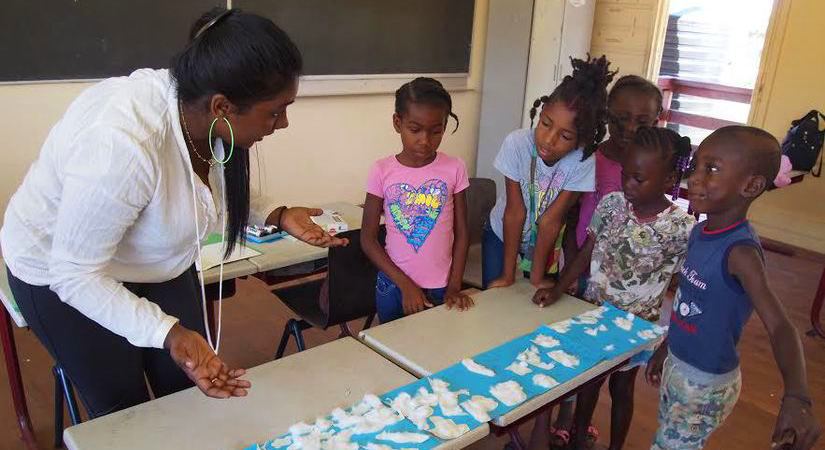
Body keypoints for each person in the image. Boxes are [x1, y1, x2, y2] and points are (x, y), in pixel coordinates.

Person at [0, 8, 345, 418]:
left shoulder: (200, 109)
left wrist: (276, 213)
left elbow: (201, 180)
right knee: (124, 407)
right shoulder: (121, 148)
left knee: (185, 385)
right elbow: (74, 274)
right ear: (223, 107)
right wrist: (168, 331)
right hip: (62, 272)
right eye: (275, 111)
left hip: (145, 259)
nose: (283, 123)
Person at [645, 126, 821, 450]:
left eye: (711, 169)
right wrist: (667, 345)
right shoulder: (699, 232)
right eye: (696, 165)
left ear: (751, 185)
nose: (695, 177)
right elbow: (691, 300)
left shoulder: (740, 254)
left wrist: (798, 397)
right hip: (679, 366)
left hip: (704, 383)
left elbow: (781, 327)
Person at [534, 127, 695, 450]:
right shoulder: (611, 205)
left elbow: (686, 293)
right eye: (625, 174)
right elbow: (586, 252)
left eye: (638, 178)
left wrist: (668, 345)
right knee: (588, 387)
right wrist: (559, 288)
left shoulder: (680, 228)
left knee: (622, 391)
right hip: (593, 318)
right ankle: (578, 437)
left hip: (634, 330)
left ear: (667, 180)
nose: (627, 184)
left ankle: (616, 446)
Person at [482, 55, 615, 291]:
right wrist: (507, 274)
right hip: (501, 232)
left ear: (582, 139)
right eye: (545, 124)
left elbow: (552, 220)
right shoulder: (517, 144)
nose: (549, 140)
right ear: (541, 112)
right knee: (496, 293)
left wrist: (535, 277)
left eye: (565, 136)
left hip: (541, 241)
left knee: (531, 297)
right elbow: (515, 212)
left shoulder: (583, 161)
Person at [361, 77, 474, 323]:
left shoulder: (454, 167)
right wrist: (405, 284)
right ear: (397, 123)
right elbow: (368, 239)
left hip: (441, 287)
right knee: (392, 351)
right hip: (394, 286)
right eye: (415, 130)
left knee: (436, 352)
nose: (425, 140)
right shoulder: (381, 170)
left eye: (436, 131)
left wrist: (455, 285)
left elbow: (462, 232)